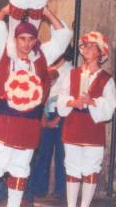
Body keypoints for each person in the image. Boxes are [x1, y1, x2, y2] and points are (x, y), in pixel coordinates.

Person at [0, 5, 72, 207]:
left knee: (21, 168)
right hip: (5, 121)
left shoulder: (41, 56)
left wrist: (47, 13)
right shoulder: (3, 54)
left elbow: (62, 37)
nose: (27, 43)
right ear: (15, 39)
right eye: (23, 39)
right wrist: (3, 12)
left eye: (31, 39)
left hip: (29, 125)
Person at [56, 33, 116, 207]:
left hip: (92, 128)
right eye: (86, 46)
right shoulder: (72, 74)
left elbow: (111, 105)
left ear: (100, 53)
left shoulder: (106, 79)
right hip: (73, 126)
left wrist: (92, 101)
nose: (88, 49)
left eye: (92, 46)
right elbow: (61, 98)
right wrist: (72, 102)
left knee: (91, 168)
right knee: (72, 167)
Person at [26, 46, 72, 202]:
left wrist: (58, 118)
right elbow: (40, 92)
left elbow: (69, 97)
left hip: (63, 115)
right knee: (42, 153)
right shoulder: (45, 68)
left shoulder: (71, 71)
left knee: (61, 154)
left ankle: (60, 191)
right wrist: (43, 117)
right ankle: (39, 189)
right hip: (45, 112)